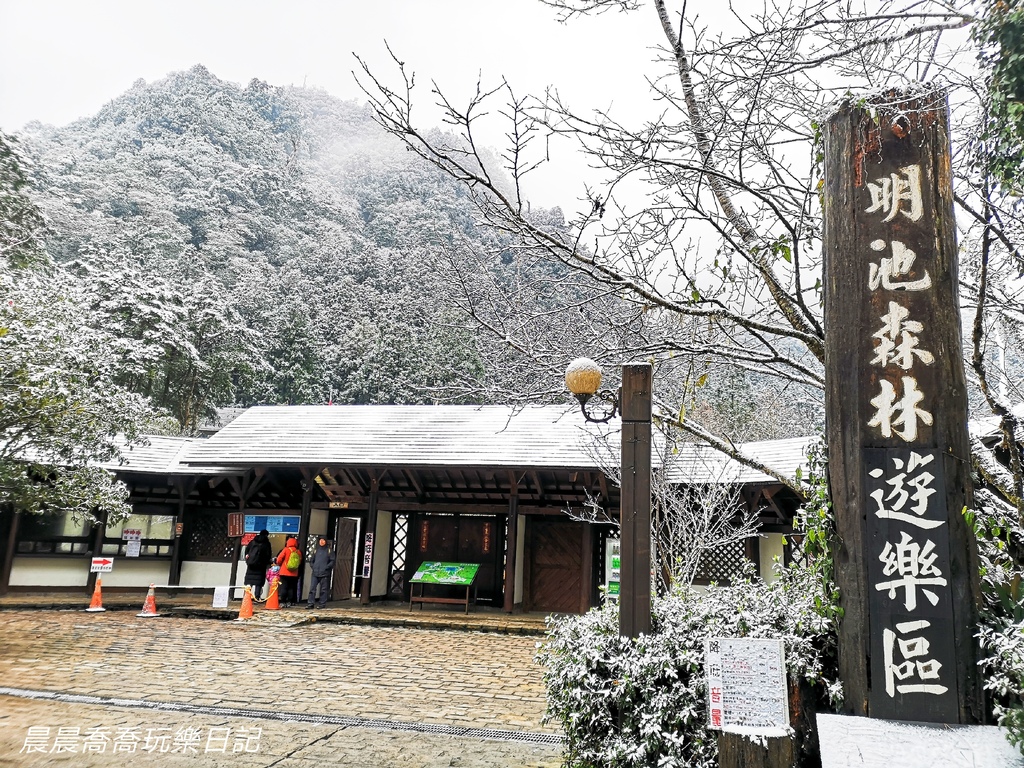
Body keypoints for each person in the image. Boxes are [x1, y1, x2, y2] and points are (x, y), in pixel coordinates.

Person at [306, 537, 336, 609]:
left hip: (324, 573)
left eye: (323, 540)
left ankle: (322, 604)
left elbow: (332, 561)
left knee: (323, 590)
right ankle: (310, 603)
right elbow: (311, 560)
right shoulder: (316, 550)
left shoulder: (329, 551)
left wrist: (327, 567)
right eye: (320, 540)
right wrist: (313, 566)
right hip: (315, 572)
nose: (321, 542)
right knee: (312, 589)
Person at [243, 529, 272, 599]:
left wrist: (248, 561)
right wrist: (266, 563)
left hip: (251, 565)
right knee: (258, 582)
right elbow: (268, 554)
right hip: (261, 566)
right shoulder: (266, 543)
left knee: (249, 581)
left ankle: (246, 596)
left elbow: (246, 551)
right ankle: (257, 597)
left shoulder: (253, 542)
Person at [275, 537, 303, 607]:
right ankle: (289, 602)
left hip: (284, 572)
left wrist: (279, 564)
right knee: (291, 587)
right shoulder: (298, 551)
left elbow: (279, 559)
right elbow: (299, 561)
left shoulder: (286, 550)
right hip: (294, 573)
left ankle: (283, 602)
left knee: (284, 587)